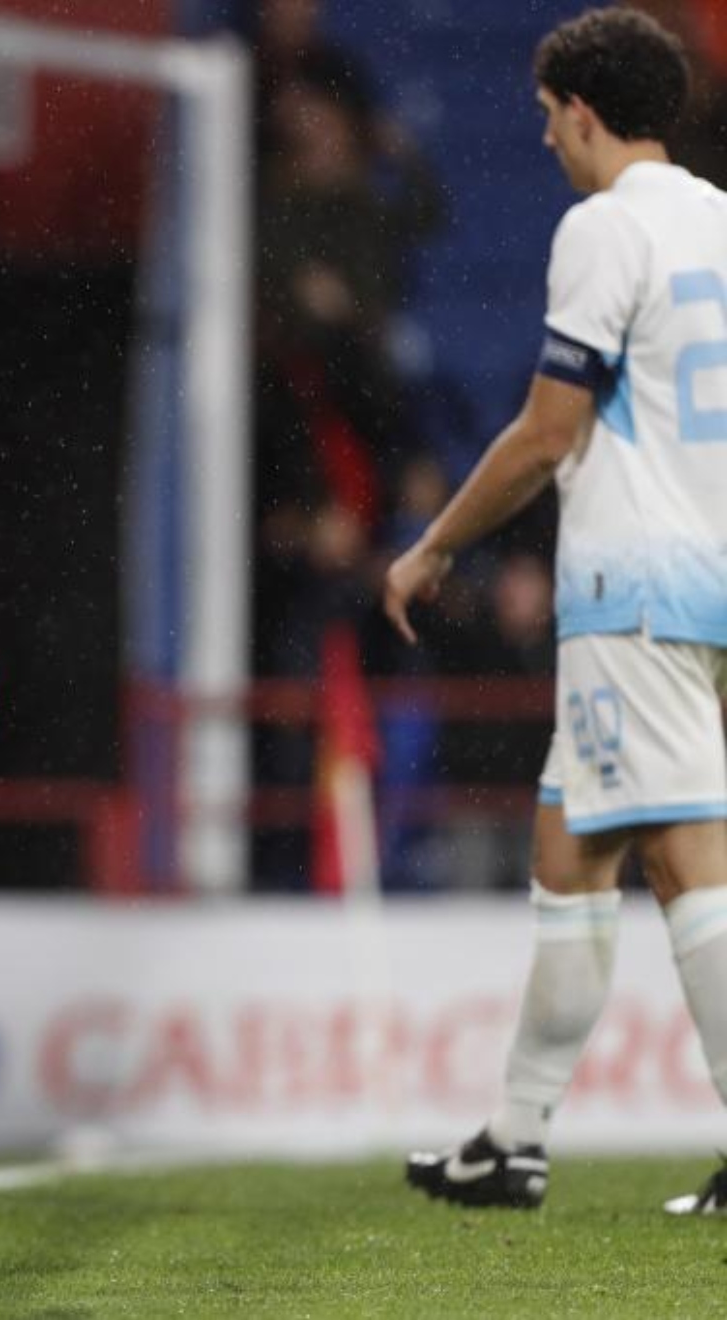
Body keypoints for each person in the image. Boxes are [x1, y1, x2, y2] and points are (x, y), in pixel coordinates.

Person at [386, 7, 727, 1213]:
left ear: (583, 111)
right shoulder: (722, 225)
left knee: (691, 862)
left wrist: (432, 546)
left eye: (545, 117)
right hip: (710, 576)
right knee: (568, 850)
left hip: (631, 585)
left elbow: (548, 430)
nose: (540, 139)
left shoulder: (604, 228)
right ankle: (515, 1138)